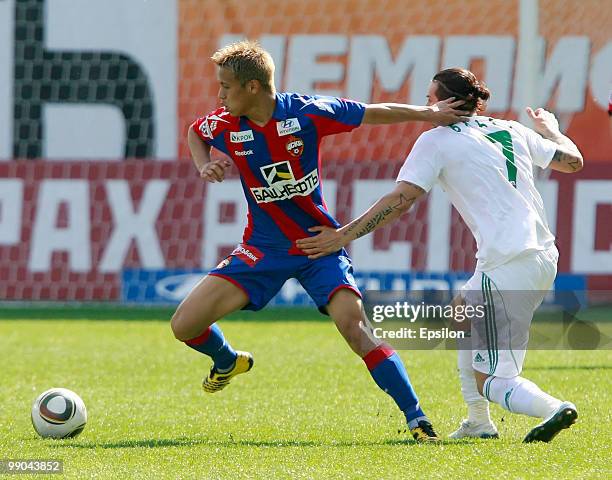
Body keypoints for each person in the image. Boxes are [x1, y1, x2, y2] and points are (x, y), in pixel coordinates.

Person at [170, 40, 469, 442]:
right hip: (262, 248)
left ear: (254, 87)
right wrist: (205, 164)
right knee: (183, 325)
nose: (220, 96)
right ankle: (227, 361)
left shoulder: (306, 112)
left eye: (226, 86)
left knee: (357, 329)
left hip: (318, 246)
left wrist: (429, 113)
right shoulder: (225, 122)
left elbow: (371, 112)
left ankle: (417, 420)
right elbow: (195, 132)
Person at [297, 67, 584, 443]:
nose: (425, 104)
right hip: (541, 254)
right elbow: (572, 161)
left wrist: (341, 237)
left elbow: (401, 201)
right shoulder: (511, 129)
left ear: (447, 102)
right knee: (462, 310)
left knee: (494, 380)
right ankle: (478, 423)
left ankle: (553, 408)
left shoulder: (435, 141)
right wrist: (551, 129)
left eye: (430, 97)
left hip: (509, 261)